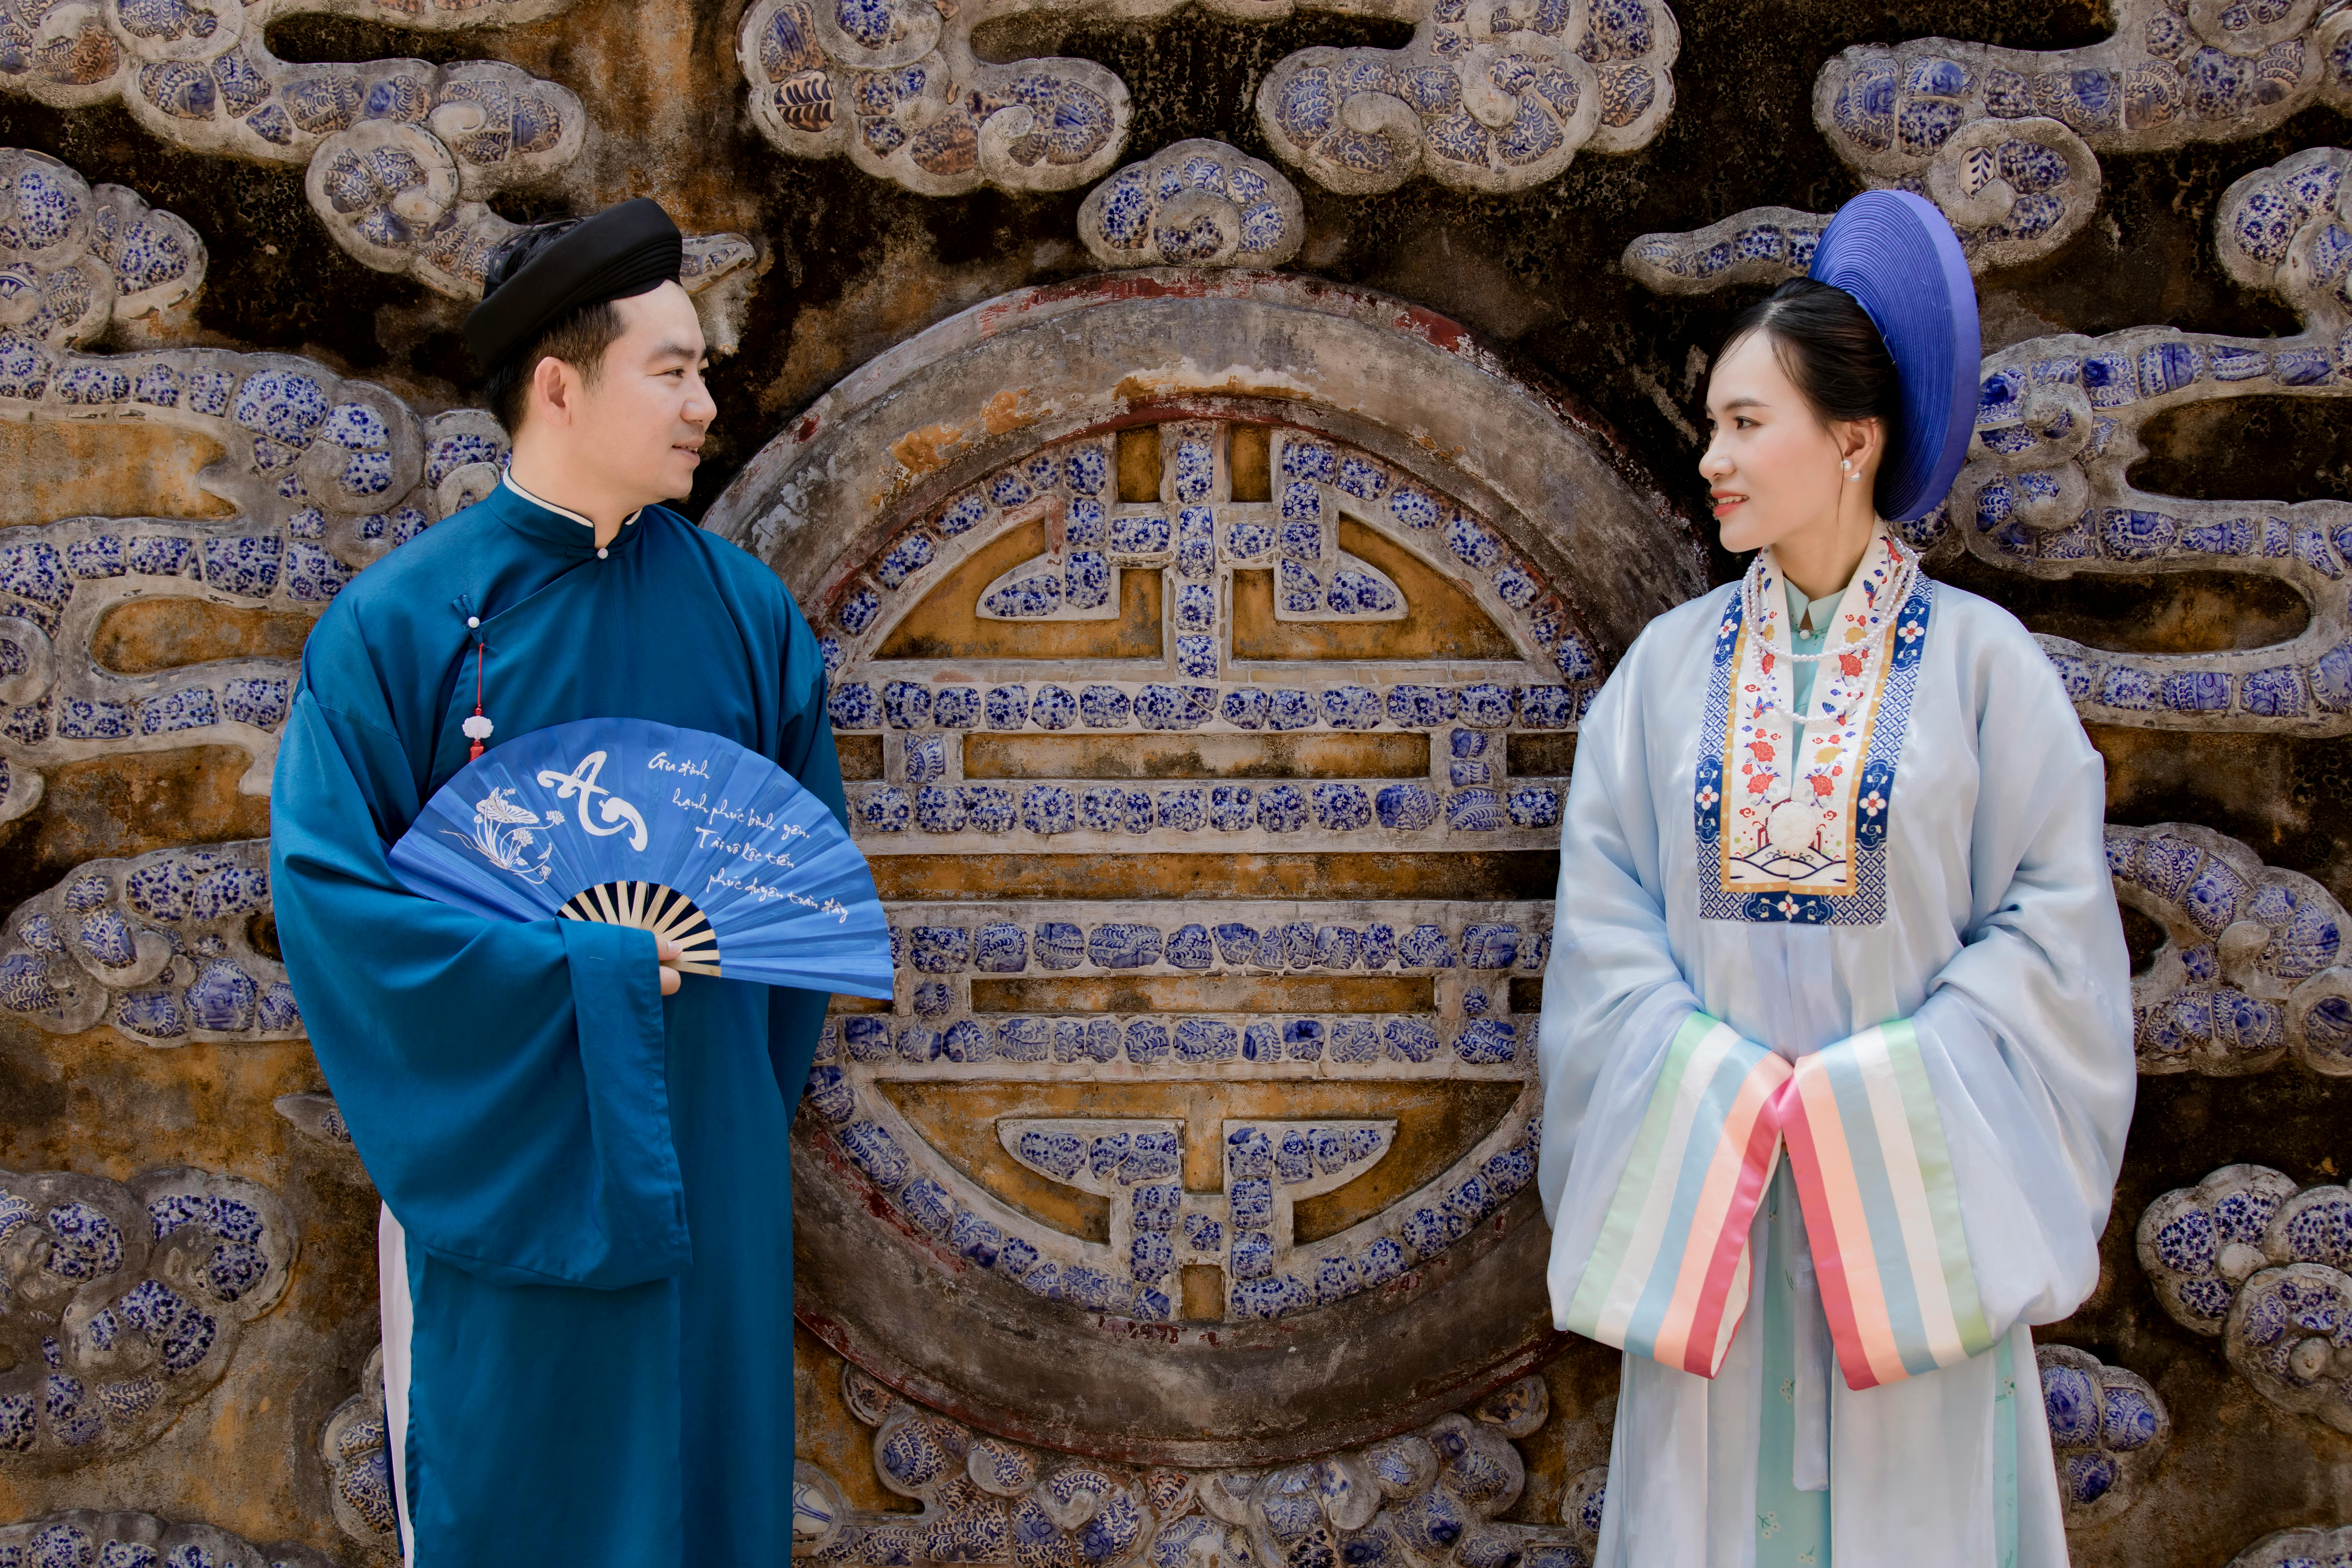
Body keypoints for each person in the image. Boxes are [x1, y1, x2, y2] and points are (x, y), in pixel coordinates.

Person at [1535, 190, 2134, 1567]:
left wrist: (1869, 1109)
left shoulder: (1988, 673)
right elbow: (1606, 931)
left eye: (1749, 425)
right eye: (1716, 428)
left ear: (1853, 440)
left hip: (1921, 1232)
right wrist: (1726, 1099)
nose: (1715, 460)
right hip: (1718, 1220)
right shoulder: (1666, 678)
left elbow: (2055, 939)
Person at [269, 199, 843, 1567]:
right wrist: (584, 978)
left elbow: (794, 913)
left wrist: (717, 1099)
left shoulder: (748, 614)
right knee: (512, 1491)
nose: (709, 401)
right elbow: (335, 907)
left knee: (709, 1494)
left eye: (704, 370)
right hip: (500, 1155)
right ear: (558, 383)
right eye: (676, 368)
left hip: (708, 1145)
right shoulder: (399, 627)